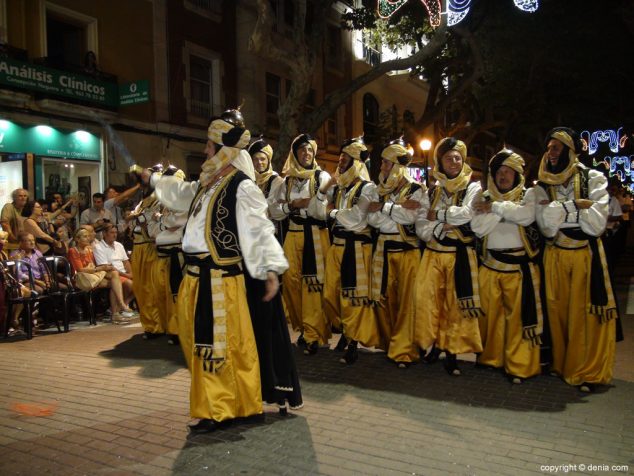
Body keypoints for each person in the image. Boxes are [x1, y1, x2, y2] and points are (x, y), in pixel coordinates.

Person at [149, 109, 288, 434]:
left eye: (211, 146)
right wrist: (153, 179)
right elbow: (179, 195)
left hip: (220, 282)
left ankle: (222, 408)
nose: (206, 151)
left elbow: (258, 228)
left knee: (219, 347)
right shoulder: (206, 185)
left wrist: (270, 270)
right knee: (200, 344)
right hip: (196, 280)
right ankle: (236, 404)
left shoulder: (240, 187)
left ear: (225, 151)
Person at [535, 127, 620, 392]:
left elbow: (595, 224)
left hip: (584, 256)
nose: (551, 153)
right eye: (549, 148)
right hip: (554, 257)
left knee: (582, 316)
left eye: (557, 148)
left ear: (570, 151)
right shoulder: (542, 184)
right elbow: (545, 226)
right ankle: (561, 365)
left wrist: (557, 213)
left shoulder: (592, 178)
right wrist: (572, 207)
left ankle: (582, 371)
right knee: (557, 314)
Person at [471, 150, 543, 383]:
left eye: (508, 172)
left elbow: (526, 216)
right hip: (490, 265)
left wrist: (494, 208)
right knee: (489, 318)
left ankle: (519, 367)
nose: (503, 176)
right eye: (499, 171)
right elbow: (478, 228)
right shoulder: (483, 195)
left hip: (519, 269)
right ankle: (491, 359)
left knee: (519, 321)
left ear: (517, 174)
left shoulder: (529, 194)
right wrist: (503, 210)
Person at [414, 137, 483, 376]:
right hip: (433, 254)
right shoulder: (431, 189)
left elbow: (467, 214)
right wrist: (440, 227)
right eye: (448, 158)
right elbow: (421, 225)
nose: (454, 162)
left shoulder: (473, 187)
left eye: (458, 158)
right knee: (426, 302)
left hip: (458, 255)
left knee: (455, 306)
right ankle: (432, 343)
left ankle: (451, 352)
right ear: (440, 162)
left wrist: (439, 216)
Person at [315, 136, 381, 365]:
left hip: (357, 248)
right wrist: (327, 196)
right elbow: (319, 208)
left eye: (345, 159)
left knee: (352, 296)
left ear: (356, 163)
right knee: (329, 294)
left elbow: (355, 219)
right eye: (340, 158)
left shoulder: (368, 188)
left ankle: (352, 341)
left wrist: (332, 212)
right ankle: (345, 329)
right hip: (338, 245)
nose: (340, 162)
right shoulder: (339, 187)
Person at [367, 139, 428, 368]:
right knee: (382, 299)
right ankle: (391, 342)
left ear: (397, 165)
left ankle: (404, 351)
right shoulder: (377, 188)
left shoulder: (416, 189)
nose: (382, 167)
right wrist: (398, 209)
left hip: (407, 251)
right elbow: (371, 218)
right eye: (382, 162)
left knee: (406, 302)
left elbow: (410, 218)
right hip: (383, 247)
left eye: (386, 163)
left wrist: (385, 208)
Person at [269, 134, 331, 355]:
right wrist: (292, 206)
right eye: (302, 150)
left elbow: (322, 209)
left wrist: (302, 204)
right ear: (295, 154)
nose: (307, 154)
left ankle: (313, 334)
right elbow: (273, 209)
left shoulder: (321, 177)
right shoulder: (287, 181)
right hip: (292, 235)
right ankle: (303, 327)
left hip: (314, 235)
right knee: (292, 283)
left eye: (310, 150)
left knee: (312, 284)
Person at [152, 166, 188, 345]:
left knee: (178, 293)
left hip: (180, 254)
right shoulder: (163, 203)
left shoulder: (185, 201)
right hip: (164, 255)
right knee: (166, 293)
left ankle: (180, 331)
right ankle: (171, 328)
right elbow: (153, 230)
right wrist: (163, 222)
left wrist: (161, 221)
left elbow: (180, 222)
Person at [68, 228, 136, 321]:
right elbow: (80, 269)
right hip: (81, 280)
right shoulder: (73, 251)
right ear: (77, 239)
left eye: (88, 236)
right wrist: (99, 268)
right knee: (115, 281)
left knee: (114, 275)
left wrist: (106, 267)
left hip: (93, 277)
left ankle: (118, 309)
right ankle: (119, 309)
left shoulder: (89, 250)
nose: (88, 238)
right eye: (85, 236)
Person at [128, 167, 164, 338]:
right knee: (141, 288)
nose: (142, 181)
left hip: (149, 247)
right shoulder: (143, 201)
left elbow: (152, 223)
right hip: (138, 247)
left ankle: (155, 326)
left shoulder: (158, 199)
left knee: (151, 288)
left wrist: (139, 219)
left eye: (145, 178)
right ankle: (149, 324)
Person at [92, 223, 135, 320]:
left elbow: (126, 261)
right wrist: (126, 275)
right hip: (109, 274)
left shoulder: (119, 245)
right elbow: (106, 267)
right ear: (104, 233)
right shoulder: (98, 247)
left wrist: (130, 273)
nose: (114, 235)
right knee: (130, 284)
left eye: (116, 232)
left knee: (141, 283)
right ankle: (119, 309)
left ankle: (118, 308)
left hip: (122, 273)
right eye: (112, 232)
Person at [248, 138, 286, 242]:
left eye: (262, 159)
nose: (259, 162)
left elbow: (272, 208)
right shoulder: (249, 179)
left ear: (268, 160)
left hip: (270, 235)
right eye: (255, 159)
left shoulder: (277, 181)